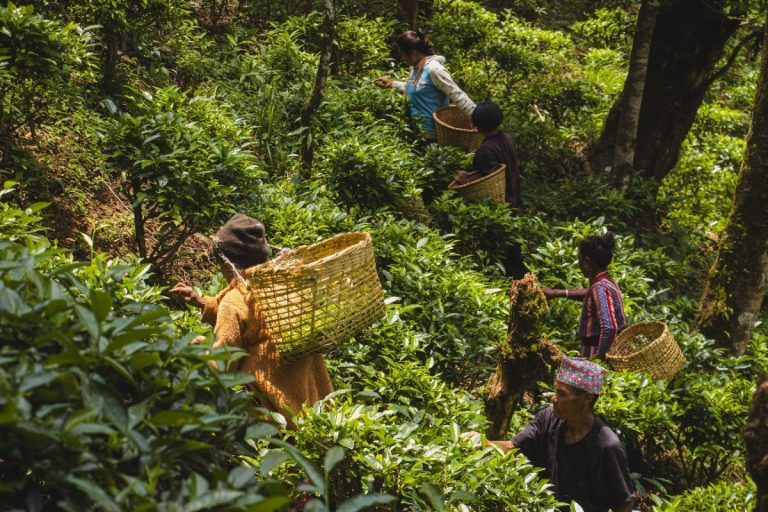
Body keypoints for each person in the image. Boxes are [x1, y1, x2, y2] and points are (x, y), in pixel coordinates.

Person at [170, 214, 334, 429]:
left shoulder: (235, 300)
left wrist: (198, 353)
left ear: (227, 263)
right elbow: (257, 320)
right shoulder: (286, 285)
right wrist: (203, 303)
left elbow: (223, 367)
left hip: (278, 418)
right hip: (318, 413)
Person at [486, 357, 636, 512]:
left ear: (586, 398)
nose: (553, 398)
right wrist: (481, 442)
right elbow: (511, 447)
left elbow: (625, 501)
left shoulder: (607, 446)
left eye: (561, 394)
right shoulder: (547, 419)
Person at [374, 29, 475, 141]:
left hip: (434, 137)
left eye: (402, 54)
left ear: (412, 52)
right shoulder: (417, 68)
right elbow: (416, 88)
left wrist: (481, 121)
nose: (402, 58)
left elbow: (459, 96)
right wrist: (392, 84)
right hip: (417, 135)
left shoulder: (434, 69)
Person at [542, 232, 626, 360]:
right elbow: (590, 294)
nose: (579, 264)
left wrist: (599, 360)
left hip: (595, 355)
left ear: (587, 261)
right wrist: (556, 293)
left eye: (579, 260)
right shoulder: (606, 283)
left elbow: (609, 328)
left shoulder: (600, 288)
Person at [454, 101, 522, 208]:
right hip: (514, 196)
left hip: (502, 202)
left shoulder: (486, 150)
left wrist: (466, 181)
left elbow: (490, 181)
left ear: (477, 125)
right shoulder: (506, 137)